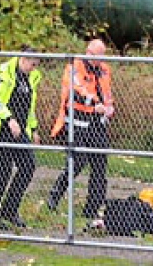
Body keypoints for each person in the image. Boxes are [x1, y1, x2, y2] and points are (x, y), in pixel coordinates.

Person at [47, 39, 114, 220]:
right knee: (77, 162)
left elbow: (107, 93)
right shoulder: (74, 66)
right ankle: (54, 195)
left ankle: (93, 207)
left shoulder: (105, 69)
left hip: (98, 122)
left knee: (100, 165)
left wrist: (108, 107)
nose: (99, 60)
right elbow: (77, 90)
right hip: (77, 121)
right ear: (88, 52)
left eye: (102, 56)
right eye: (96, 56)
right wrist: (94, 103)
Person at [0, 47, 42, 229]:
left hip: (20, 132)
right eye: (32, 64)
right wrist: (8, 118)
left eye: (37, 64)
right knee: (3, 171)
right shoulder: (4, 72)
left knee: (28, 167)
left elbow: (29, 107)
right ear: (23, 59)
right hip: (0, 130)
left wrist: (34, 129)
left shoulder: (32, 77)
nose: (34, 67)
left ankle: (10, 209)